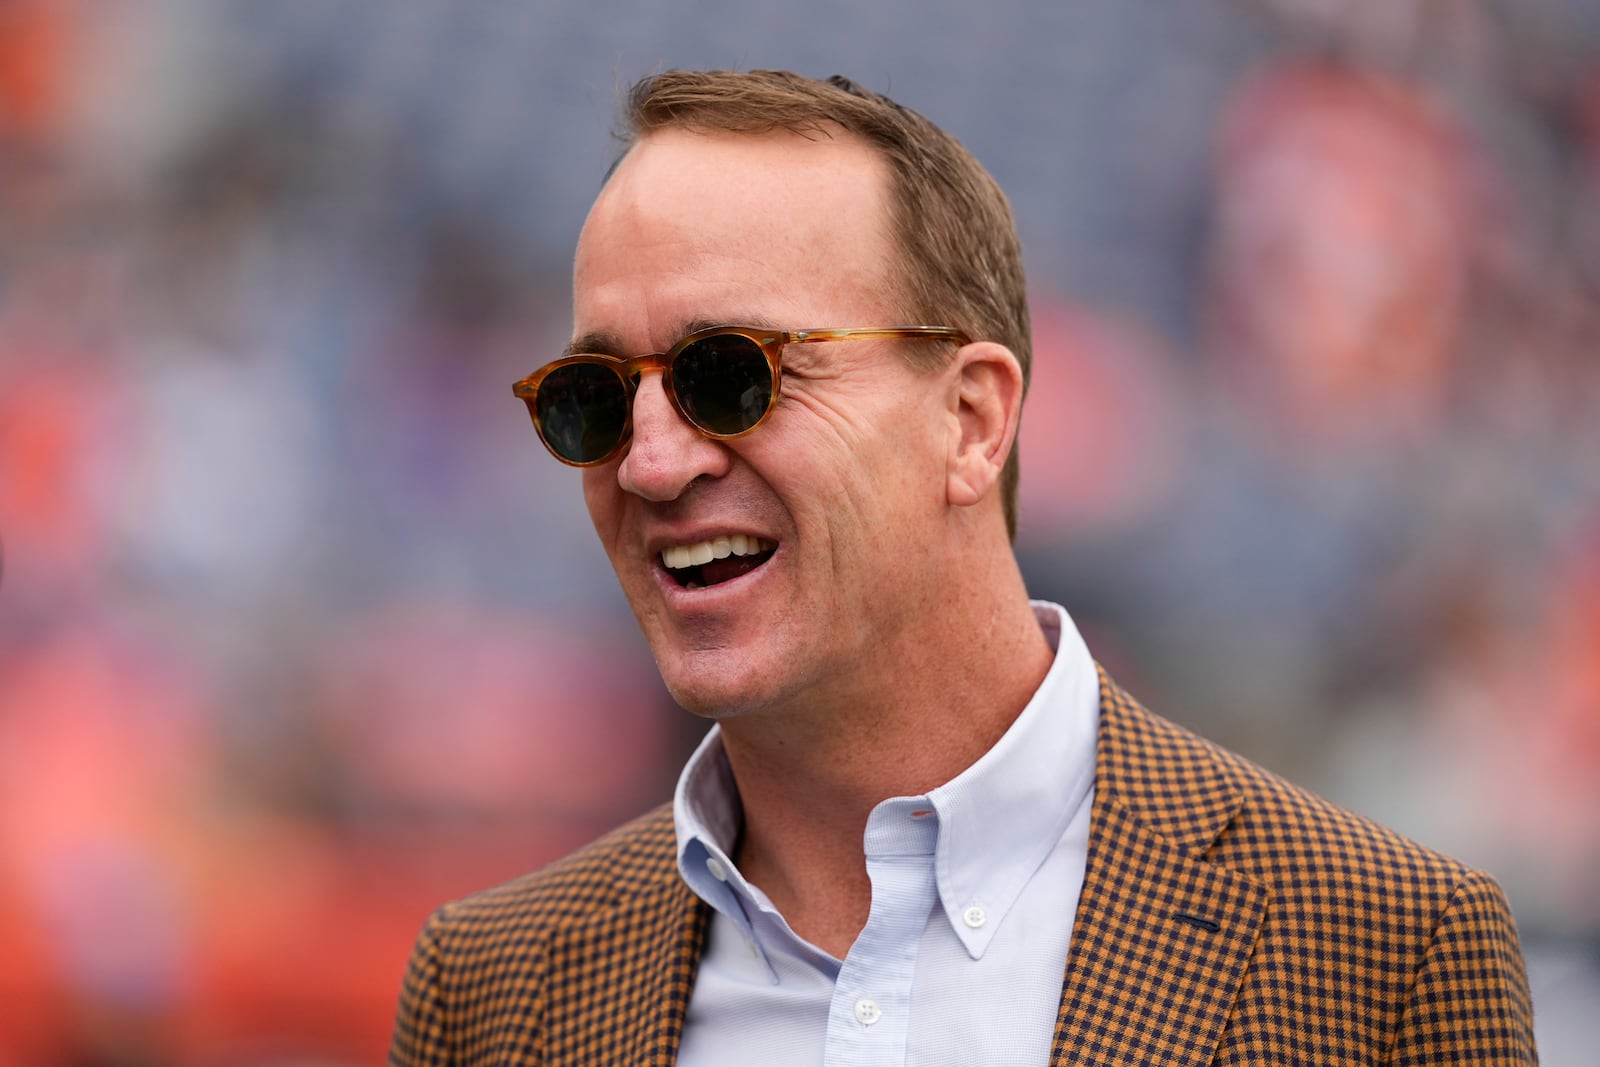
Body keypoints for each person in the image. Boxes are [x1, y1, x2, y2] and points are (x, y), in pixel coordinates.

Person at [389, 69, 1537, 1066]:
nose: (647, 462)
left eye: (727, 373)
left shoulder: (1382, 946)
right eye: (594, 400)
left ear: (972, 419)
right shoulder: (495, 987)